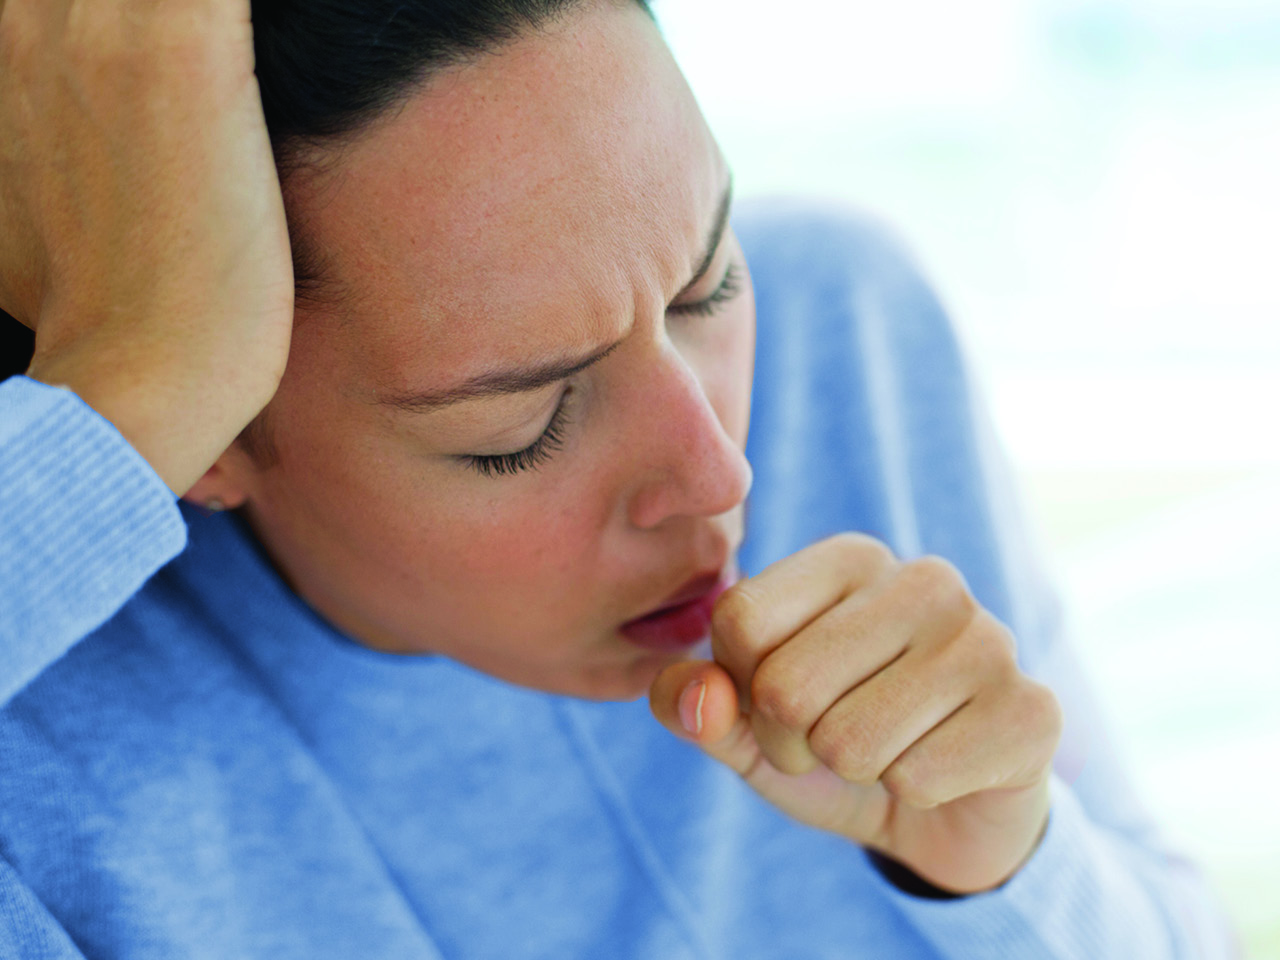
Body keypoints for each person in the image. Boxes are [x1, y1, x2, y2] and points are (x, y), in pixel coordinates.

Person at [0, 0, 1237, 956]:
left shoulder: (844, 334)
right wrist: (130, 388)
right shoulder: (44, 744)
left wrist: (1006, 866)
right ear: (205, 429)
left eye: (708, 284)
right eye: (519, 426)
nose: (719, 473)